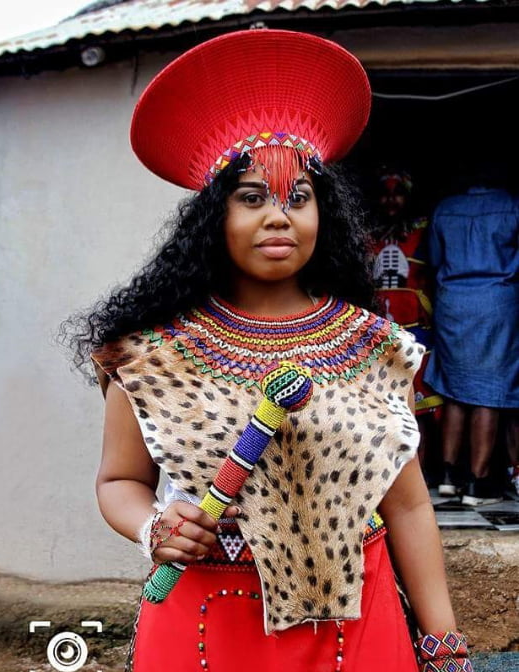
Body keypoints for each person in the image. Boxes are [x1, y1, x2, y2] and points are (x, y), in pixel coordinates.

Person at [63, 30, 473, 672]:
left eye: (297, 198)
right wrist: (154, 527)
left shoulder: (374, 347)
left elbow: (411, 505)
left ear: (322, 216)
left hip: (358, 624)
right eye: (252, 198)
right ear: (213, 219)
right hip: (201, 623)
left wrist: (443, 645)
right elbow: (119, 482)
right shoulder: (153, 353)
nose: (278, 216)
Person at [425, 167, 519, 506]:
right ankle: (478, 483)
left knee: (454, 392)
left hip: (452, 304)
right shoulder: (511, 205)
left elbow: (434, 260)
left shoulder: (445, 208)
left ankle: (449, 477)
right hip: (495, 303)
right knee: (488, 394)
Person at [371, 168, 443, 474]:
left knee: (420, 410)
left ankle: (420, 478)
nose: (390, 199)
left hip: (417, 335)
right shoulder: (366, 235)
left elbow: (436, 275)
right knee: (380, 411)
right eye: (385, 192)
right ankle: (385, 478)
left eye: (398, 191)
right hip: (378, 336)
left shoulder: (423, 231)